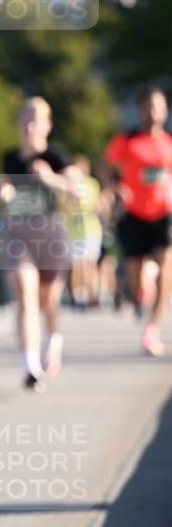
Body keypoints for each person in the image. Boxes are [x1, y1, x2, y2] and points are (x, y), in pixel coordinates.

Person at [0, 97, 80, 392]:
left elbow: (78, 191)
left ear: (48, 125)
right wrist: (3, 191)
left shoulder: (57, 156)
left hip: (50, 235)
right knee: (26, 296)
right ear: (20, 124)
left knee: (49, 302)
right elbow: (3, 185)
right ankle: (30, 365)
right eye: (27, 119)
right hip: (18, 234)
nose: (31, 125)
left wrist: (50, 178)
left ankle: (53, 338)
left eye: (38, 119)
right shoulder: (10, 157)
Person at [104, 87, 172, 356]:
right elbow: (104, 167)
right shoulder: (126, 140)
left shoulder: (169, 142)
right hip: (133, 214)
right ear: (140, 111)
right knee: (135, 273)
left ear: (165, 111)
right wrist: (114, 187)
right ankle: (139, 293)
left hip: (163, 214)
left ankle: (152, 329)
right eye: (148, 107)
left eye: (158, 107)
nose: (153, 113)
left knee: (165, 266)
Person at [60, 154, 103, 308]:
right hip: (73, 230)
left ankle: (92, 295)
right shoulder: (65, 184)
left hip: (90, 229)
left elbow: (97, 204)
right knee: (76, 264)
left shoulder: (92, 184)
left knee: (89, 263)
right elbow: (62, 206)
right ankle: (77, 295)